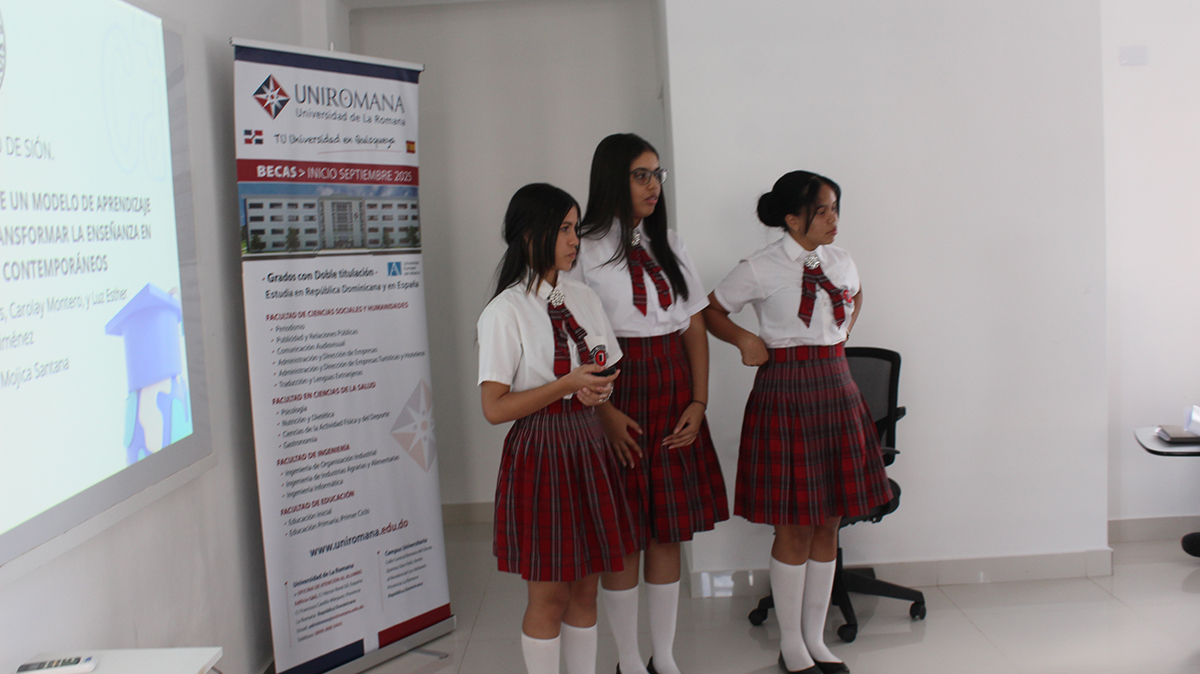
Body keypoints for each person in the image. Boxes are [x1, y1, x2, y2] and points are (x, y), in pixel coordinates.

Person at [703, 171, 892, 674]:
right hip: (784, 391)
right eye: (823, 210)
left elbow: (855, 296)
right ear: (792, 218)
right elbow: (712, 311)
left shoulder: (842, 261)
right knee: (794, 523)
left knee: (828, 519)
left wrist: (841, 332)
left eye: (835, 208)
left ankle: (815, 638)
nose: (833, 219)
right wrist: (746, 341)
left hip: (836, 385)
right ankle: (791, 645)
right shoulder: (760, 268)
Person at [566, 133, 728, 674]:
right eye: (641, 174)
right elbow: (567, 338)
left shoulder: (670, 243)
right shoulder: (582, 248)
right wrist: (601, 410)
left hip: (673, 387)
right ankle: (629, 660)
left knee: (667, 530)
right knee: (624, 533)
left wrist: (700, 400)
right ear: (613, 176)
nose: (654, 185)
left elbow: (694, 326)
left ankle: (665, 657)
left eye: (658, 174)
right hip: (613, 388)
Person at [477, 183, 636, 674]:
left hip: (587, 444)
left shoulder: (584, 299)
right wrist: (566, 384)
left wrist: (597, 392)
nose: (574, 240)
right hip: (541, 450)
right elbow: (495, 408)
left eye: (574, 228)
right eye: (565, 229)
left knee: (586, 587)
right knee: (549, 594)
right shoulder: (506, 311)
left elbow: (604, 371)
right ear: (531, 234)